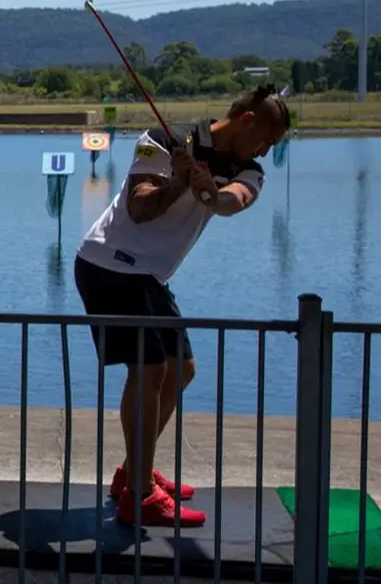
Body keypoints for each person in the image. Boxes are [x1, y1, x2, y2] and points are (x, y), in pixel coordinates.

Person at [74, 83, 290, 527]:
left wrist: (209, 191)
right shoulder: (163, 139)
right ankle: (140, 497)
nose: (266, 152)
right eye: (267, 140)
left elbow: (232, 202)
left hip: (149, 275)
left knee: (182, 369)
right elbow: (139, 208)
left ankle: (132, 473)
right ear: (248, 120)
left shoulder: (249, 170)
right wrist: (176, 184)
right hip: (109, 264)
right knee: (150, 371)